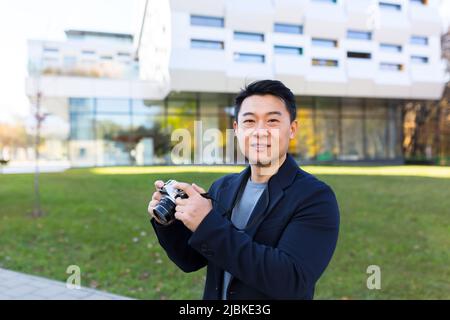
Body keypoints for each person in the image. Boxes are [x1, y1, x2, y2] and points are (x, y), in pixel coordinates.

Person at [148, 79, 340, 300]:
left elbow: (291, 281)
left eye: (272, 121)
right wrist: (170, 223)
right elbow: (190, 261)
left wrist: (207, 222)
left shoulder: (315, 198)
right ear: (237, 130)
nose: (260, 131)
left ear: (292, 129)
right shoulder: (222, 188)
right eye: (249, 121)